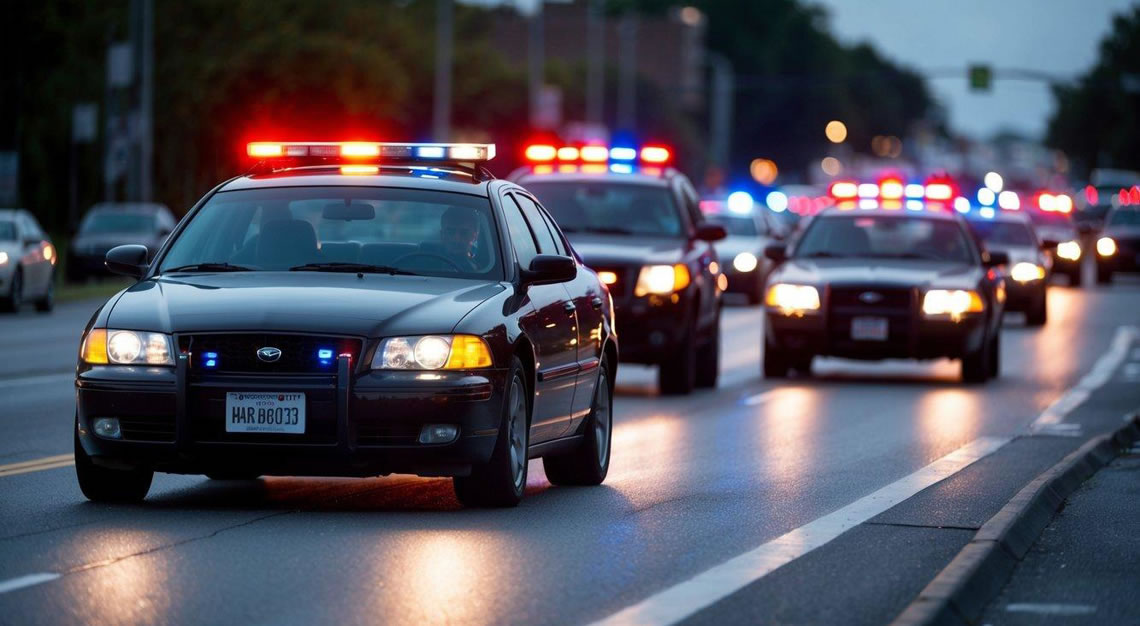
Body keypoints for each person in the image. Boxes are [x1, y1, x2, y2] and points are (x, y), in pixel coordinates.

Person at [437, 206, 481, 271]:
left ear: (475, 236)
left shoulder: (485, 269)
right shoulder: (424, 262)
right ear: (442, 235)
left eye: (464, 233)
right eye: (450, 232)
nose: (456, 239)